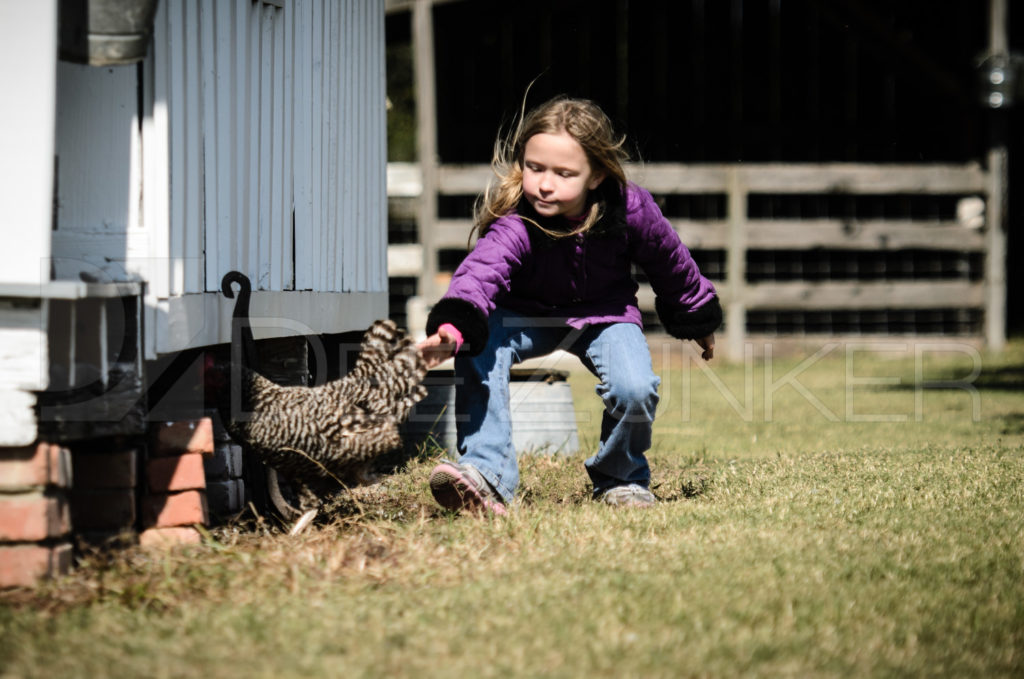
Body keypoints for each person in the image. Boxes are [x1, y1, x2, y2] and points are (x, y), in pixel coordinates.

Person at [417, 95, 720, 515]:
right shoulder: (517, 221)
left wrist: (696, 314)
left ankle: (621, 479)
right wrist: (453, 329)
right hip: (523, 314)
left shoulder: (631, 209)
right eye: (535, 168)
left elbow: (671, 263)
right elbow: (480, 273)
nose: (544, 183)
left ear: (595, 175)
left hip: (604, 315)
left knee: (635, 387)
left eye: (564, 173)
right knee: (478, 344)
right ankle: (485, 473)